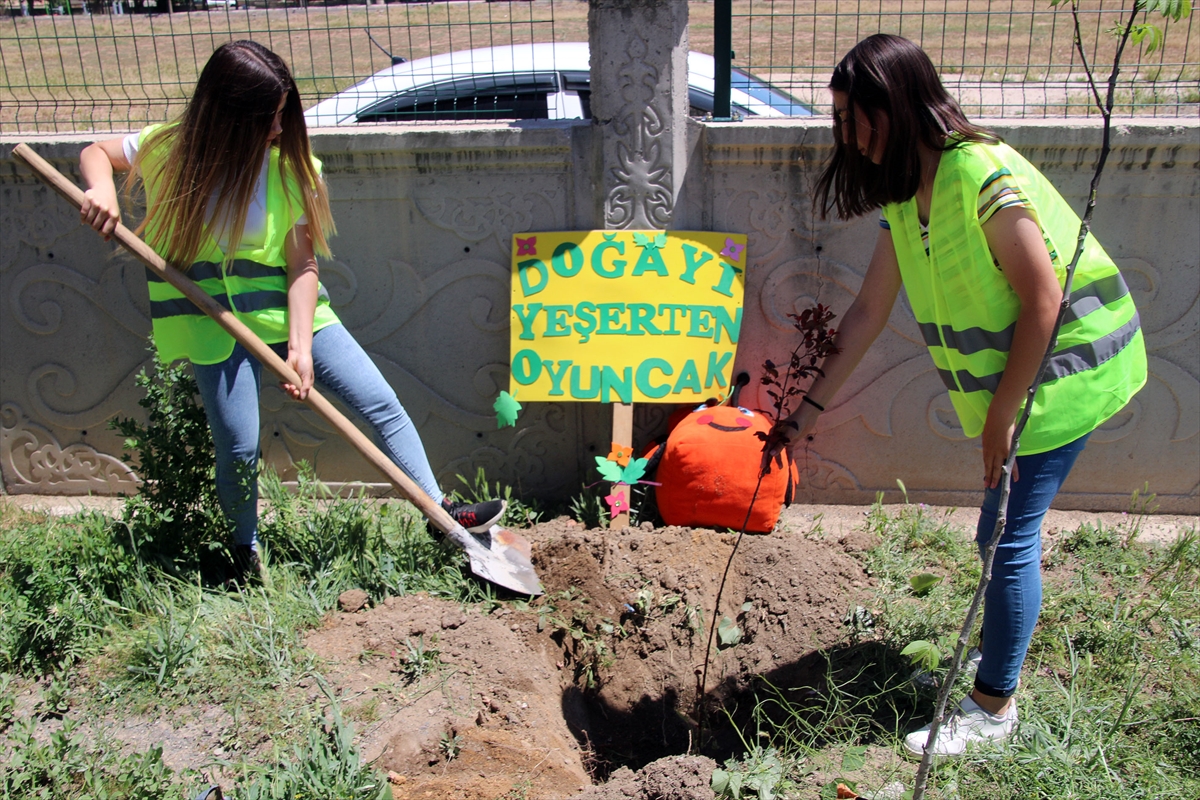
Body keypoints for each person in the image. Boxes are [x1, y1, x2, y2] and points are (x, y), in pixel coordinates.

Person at [781, 34, 1146, 758]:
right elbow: (867, 313)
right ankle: (999, 656)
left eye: (855, 116)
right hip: (1025, 382)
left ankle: (992, 709)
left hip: (1067, 369)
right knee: (997, 533)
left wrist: (1003, 414)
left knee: (1009, 538)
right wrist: (804, 415)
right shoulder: (904, 197)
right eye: (839, 118)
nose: (846, 134)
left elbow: (1043, 299)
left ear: (897, 105)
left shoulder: (977, 172)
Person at [79, 40, 505, 584]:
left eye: (283, 114)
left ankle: (442, 516)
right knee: (238, 446)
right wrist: (102, 190)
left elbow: (303, 265)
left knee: (380, 402)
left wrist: (300, 347)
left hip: (292, 315)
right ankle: (244, 554)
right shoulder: (170, 149)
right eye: (268, 118)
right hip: (215, 323)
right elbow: (96, 152)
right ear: (228, 115)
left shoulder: (289, 170)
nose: (279, 129)